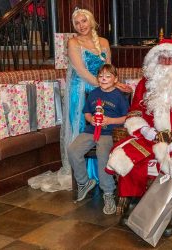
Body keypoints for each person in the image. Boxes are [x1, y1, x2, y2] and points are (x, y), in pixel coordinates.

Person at [105, 39, 172, 236]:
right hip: (150, 136)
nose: (167, 62)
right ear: (155, 60)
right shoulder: (145, 83)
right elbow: (134, 113)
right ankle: (135, 202)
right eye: (162, 58)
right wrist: (144, 130)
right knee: (126, 154)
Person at [28, 8, 130, 192]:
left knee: (103, 130)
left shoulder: (104, 42)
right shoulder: (73, 43)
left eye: (84, 21)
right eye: (77, 23)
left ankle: (103, 173)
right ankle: (81, 177)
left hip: (102, 89)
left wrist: (117, 84)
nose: (81, 25)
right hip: (81, 90)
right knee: (82, 127)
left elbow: (108, 69)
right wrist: (104, 87)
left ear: (91, 22)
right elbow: (82, 72)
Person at [67, 64, 129, 214]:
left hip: (109, 133)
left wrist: (110, 121)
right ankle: (84, 182)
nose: (104, 79)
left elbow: (127, 117)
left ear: (115, 80)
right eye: (101, 76)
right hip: (91, 130)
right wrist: (91, 119)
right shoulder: (94, 93)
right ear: (97, 79)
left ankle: (108, 192)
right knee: (73, 150)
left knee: (103, 154)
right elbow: (87, 112)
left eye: (108, 76)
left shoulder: (119, 96)